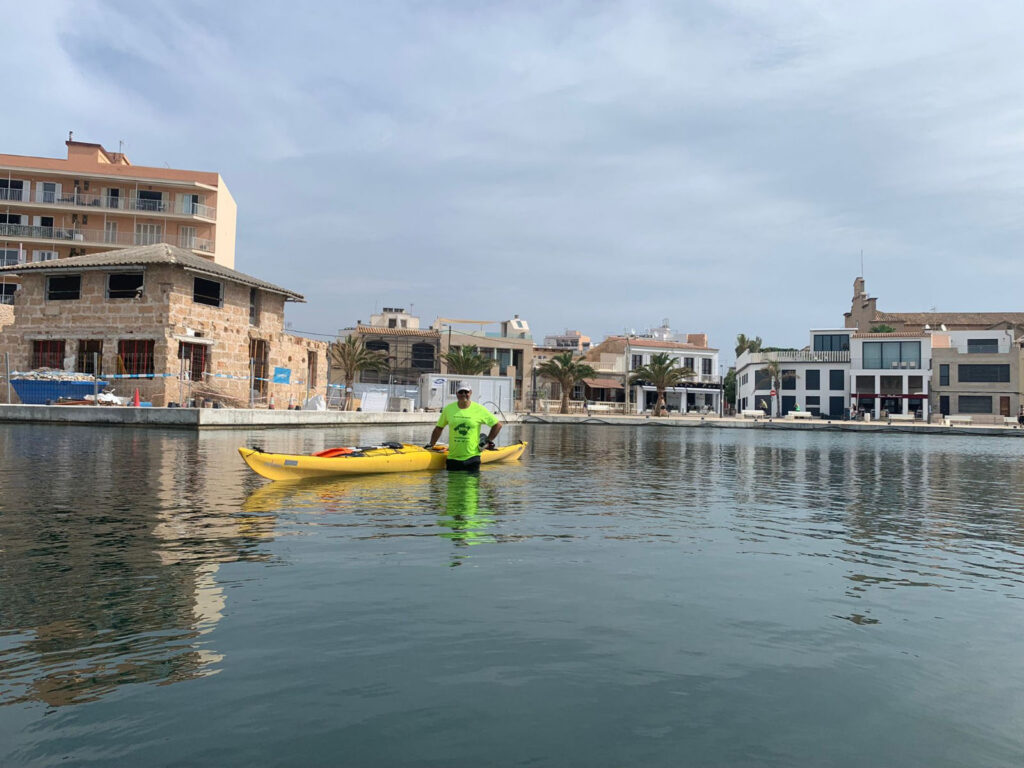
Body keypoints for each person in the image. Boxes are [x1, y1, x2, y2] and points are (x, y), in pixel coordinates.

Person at [425, 382, 502, 471]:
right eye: (461, 392)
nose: (463, 394)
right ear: (456, 394)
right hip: (453, 458)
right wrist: (431, 444)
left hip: (472, 458)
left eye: (466, 392)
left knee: (471, 485)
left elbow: (497, 425)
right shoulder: (448, 409)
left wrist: (487, 441)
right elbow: (439, 428)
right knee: (453, 485)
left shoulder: (479, 409)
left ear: (470, 393)